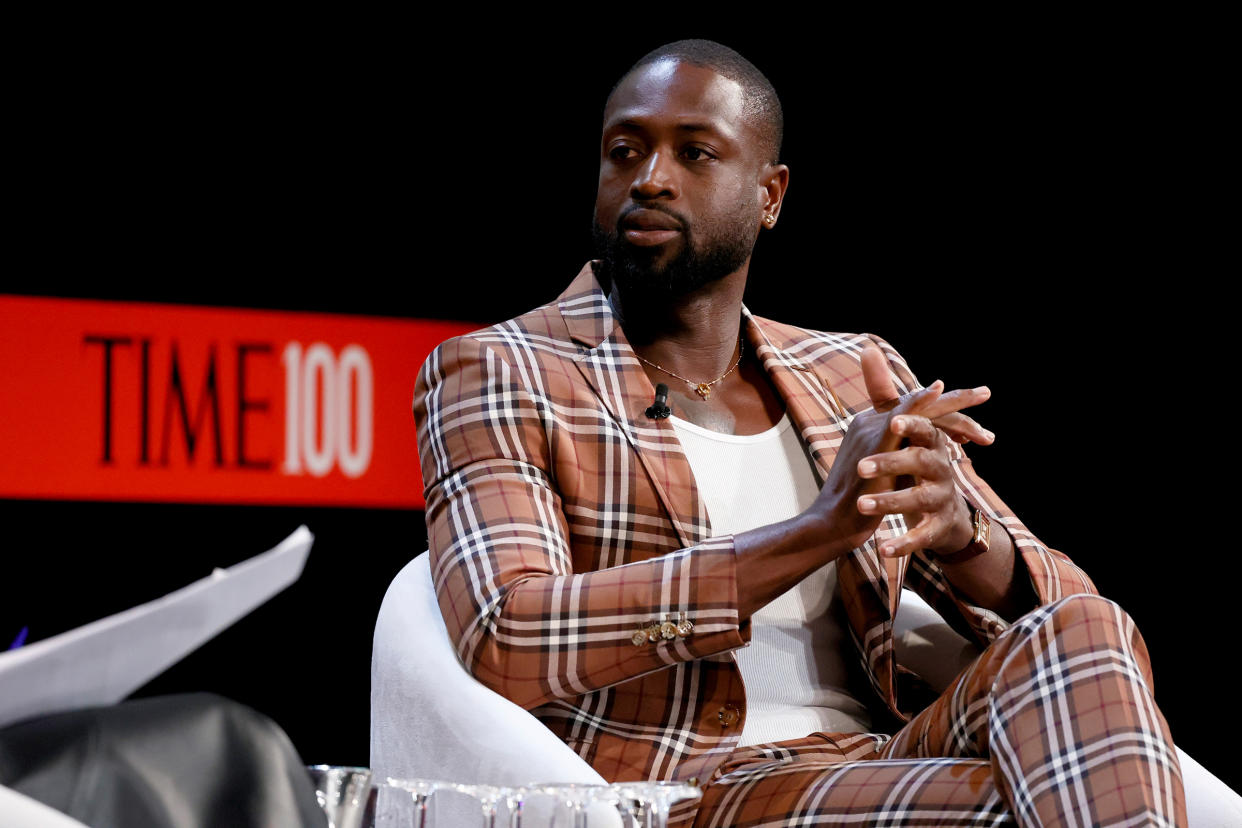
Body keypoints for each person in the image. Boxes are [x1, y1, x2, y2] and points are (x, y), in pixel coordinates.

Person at [414, 40, 1187, 826]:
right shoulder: (500, 369)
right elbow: (506, 634)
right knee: (1044, 804)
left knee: (1085, 632)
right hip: (690, 786)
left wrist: (959, 535)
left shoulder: (853, 371)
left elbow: (1076, 629)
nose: (650, 178)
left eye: (695, 153)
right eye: (625, 151)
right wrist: (817, 530)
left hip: (882, 756)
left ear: (769, 195)